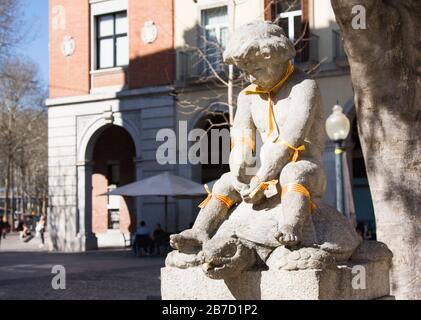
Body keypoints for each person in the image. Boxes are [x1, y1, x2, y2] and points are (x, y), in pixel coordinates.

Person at [170, 21, 326, 254]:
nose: (251, 77)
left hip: (306, 167)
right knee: (225, 180)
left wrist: (262, 179)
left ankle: (292, 226)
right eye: (246, 71)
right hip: (264, 173)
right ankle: (200, 230)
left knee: (293, 172)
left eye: (257, 70)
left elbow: (291, 139)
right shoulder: (248, 96)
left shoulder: (304, 87)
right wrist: (240, 162)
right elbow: (242, 136)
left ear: (278, 57)